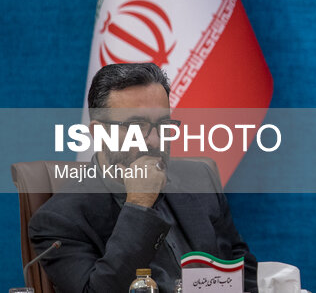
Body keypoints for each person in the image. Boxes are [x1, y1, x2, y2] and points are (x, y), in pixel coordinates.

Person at [29, 63, 258, 292]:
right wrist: (139, 205)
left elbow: (242, 269)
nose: (155, 141)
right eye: (136, 126)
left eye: (163, 125)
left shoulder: (199, 179)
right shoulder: (59, 221)